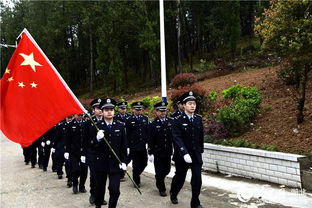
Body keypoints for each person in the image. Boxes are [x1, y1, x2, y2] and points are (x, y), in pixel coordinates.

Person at [170, 91, 205, 208]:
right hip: (182, 155)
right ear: (184, 105)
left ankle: (195, 202)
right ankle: (173, 193)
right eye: (190, 103)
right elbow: (176, 138)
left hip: (195, 155)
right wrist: (184, 152)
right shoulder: (177, 120)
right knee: (180, 177)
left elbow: (200, 136)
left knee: (197, 179)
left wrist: (200, 150)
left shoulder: (198, 119)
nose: (192, 106)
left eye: (194, 103)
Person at [93, 98, 127, 208]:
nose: (109, 112)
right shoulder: (96, 125)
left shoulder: (120, 126)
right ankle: (98, 205)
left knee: (115, 190)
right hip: (100, 164)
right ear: (102, 112)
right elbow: (90, 145)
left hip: (115, 164)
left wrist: (124, 161)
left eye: (111, 109)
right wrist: (97, 139)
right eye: (106, 109)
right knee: (99, 190)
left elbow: (123, 146)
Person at [82, 98, 107, 205]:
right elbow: (84, 139)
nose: (100, 110)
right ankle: (93, 194)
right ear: (93, 110)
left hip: (104, 153)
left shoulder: (107, 120)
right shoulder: (89, 122)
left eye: (101, 108)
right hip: (92, 153)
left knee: (103, 176)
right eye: (97, 108)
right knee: (94, 176)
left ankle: (101, 196)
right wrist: (83, 154)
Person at [148, 101, 173, 197]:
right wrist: (150, 153)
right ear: (156, 111)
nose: (163, 113)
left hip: (168, 151)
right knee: (159, 170)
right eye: (161, 111)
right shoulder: (153, 124)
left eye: (164, 110)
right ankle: (162, 189)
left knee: (167, 170)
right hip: (157, 152)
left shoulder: (170, 121)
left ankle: (159, 178)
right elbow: (150, 139)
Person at [125, 101, 149, 187]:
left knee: (144, 163)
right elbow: (127, 134)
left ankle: (136, 174)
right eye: (137, 109)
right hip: (133, 146)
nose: (139, 111)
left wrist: (147, 143)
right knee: (136, 164)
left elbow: (147, 132)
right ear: (133, 110)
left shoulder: (145, 118)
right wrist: (127, 146)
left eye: (140, 109)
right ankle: (136, 181)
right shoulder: (129, 120)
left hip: (143, 145)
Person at [66, 113, 88, 194]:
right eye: (78, 115)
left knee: (84, 170)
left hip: (84, 151)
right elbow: (67, 139)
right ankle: (75, 184)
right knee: (75, 169)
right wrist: (66, 151)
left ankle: (82, 186)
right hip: (74, 151)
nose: (80, 116)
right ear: (74, 115)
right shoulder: (71, 124)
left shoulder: (86, 123)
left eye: (81, 115)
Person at [114, 101, 130, 181]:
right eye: (122, 108)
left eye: (125, 108)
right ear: (118, 109)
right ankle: (120, 173)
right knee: (119, 156)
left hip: (128, 140)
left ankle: (122, 169)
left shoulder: (129, 117)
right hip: (118, 139)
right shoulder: (115, 117)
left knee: (126, 156)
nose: (124, 110)